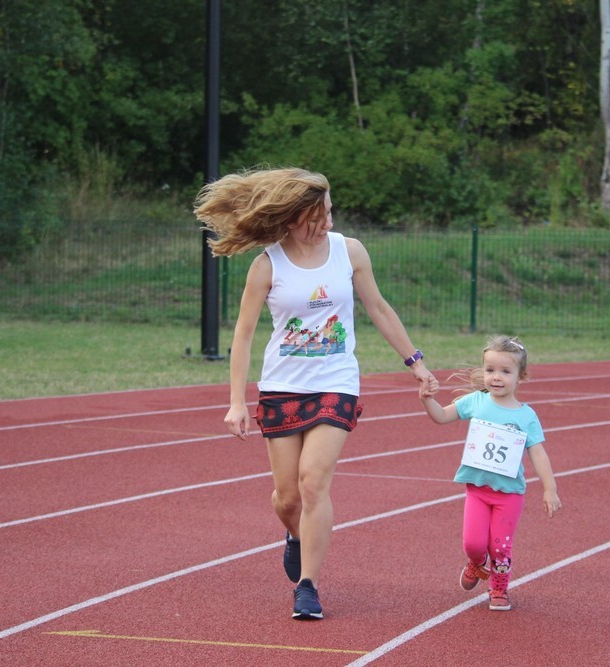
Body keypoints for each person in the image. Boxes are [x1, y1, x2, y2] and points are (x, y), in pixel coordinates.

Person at [195, 167, 436, 620]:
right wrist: (235, 401)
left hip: (335, 382)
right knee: (287, 498)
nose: (325, 223)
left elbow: (379, 308)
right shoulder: (268, 264)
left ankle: (308, 585)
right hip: (282, 387)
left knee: (313, 481)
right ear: (290, 218)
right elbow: (243, 336)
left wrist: (416, 363)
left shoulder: (349, 252)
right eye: (315, 217)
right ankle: (297, 535)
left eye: (328, 212)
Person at [419, 335, 560, 611]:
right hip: (478, 490)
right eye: (490, 370)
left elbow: (538, 453)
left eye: (505, 372)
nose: (496, 377)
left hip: (509, 494)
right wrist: (427, 400)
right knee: (473, 543)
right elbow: (441, 416)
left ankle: (499, 588)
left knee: (500, 547)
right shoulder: (476, 401)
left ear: (521, 376)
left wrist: (549, 488)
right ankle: (475, 563)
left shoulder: (526, 416)